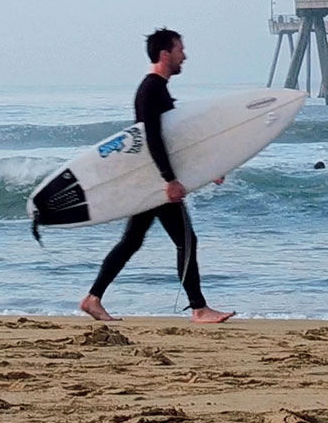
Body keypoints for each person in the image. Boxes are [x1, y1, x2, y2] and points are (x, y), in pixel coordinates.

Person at [79, 28, 235, 325]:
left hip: (152, 180)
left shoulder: (157, 89)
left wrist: (207, 169)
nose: (184, 56)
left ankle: (93, 298)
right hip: (157, 181)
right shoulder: (151, 90)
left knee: (132, 241)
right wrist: (169, 180)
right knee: (186, 240)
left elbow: (176, 141)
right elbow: (152, 138)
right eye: (180, 50)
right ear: (165, 54)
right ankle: (199, 309)